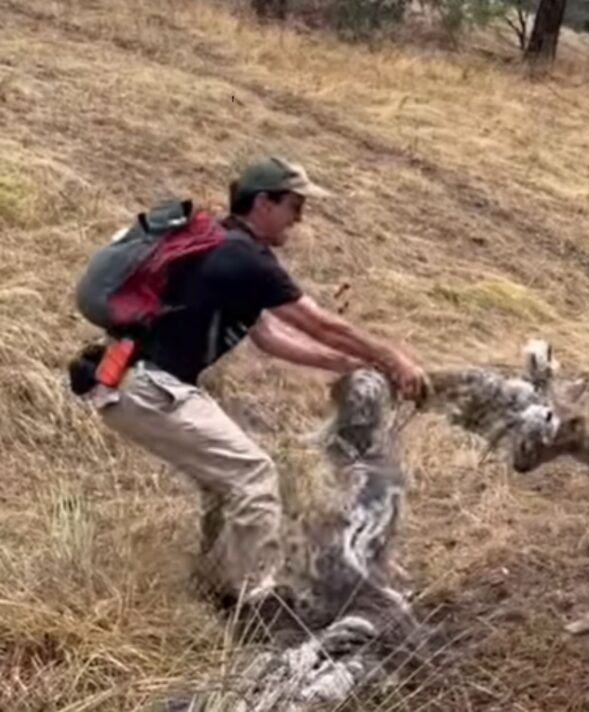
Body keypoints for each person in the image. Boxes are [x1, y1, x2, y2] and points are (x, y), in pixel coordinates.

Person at [85, 156, 430, 610]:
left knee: (224, 482)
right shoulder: (242, 257)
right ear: (263, 203)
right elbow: (319, 324)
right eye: (294, 205)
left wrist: (349, 364)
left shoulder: (226, 250)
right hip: (148, 387)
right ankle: (256, 602)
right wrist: (392, 359)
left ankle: (216, 585)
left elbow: (271, 338)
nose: (300, 218)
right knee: (253, 474)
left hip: (136, 383)